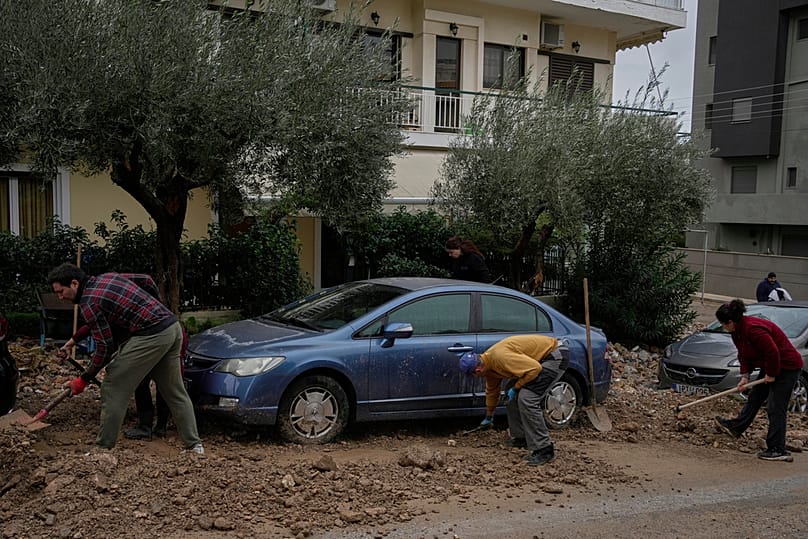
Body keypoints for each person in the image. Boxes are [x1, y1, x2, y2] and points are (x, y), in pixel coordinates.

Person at [47, 263, 203, 453]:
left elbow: (105, 346)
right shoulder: (108, 277)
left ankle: (102, 449)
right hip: (172, 327)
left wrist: (84, 378)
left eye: (61, 292)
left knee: (113, 385)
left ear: (74, 284)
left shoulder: (89, 303)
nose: (60, 297)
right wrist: (155, 306)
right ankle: (195, 445)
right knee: (175, 391)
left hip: (151, 334)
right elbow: (146, 279)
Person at [713, 299, 803, 462]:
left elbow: (772, 352)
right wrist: (745, 376)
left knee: (776, 407)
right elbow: (743, 354)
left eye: (723, 324)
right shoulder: (736, 332)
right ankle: (736, 427)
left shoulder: (753, 329)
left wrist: (771, 374)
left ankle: (777, 448)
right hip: (772, 366)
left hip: (787, 366)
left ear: (731, 321)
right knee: (755, 398)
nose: (723, 327)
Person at [459, 335, 568, 466]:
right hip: (539, 360)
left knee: (527, 398)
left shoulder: (500, 358)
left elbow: (535, 369)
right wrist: (489, 416)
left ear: (477, 370)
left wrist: (517, 388)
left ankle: (544, 449)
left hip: (554, 356)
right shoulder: (488, 366)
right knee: (510, 392)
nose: (474, 378)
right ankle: (521, 438)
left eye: (472, 375)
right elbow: (492, 392)